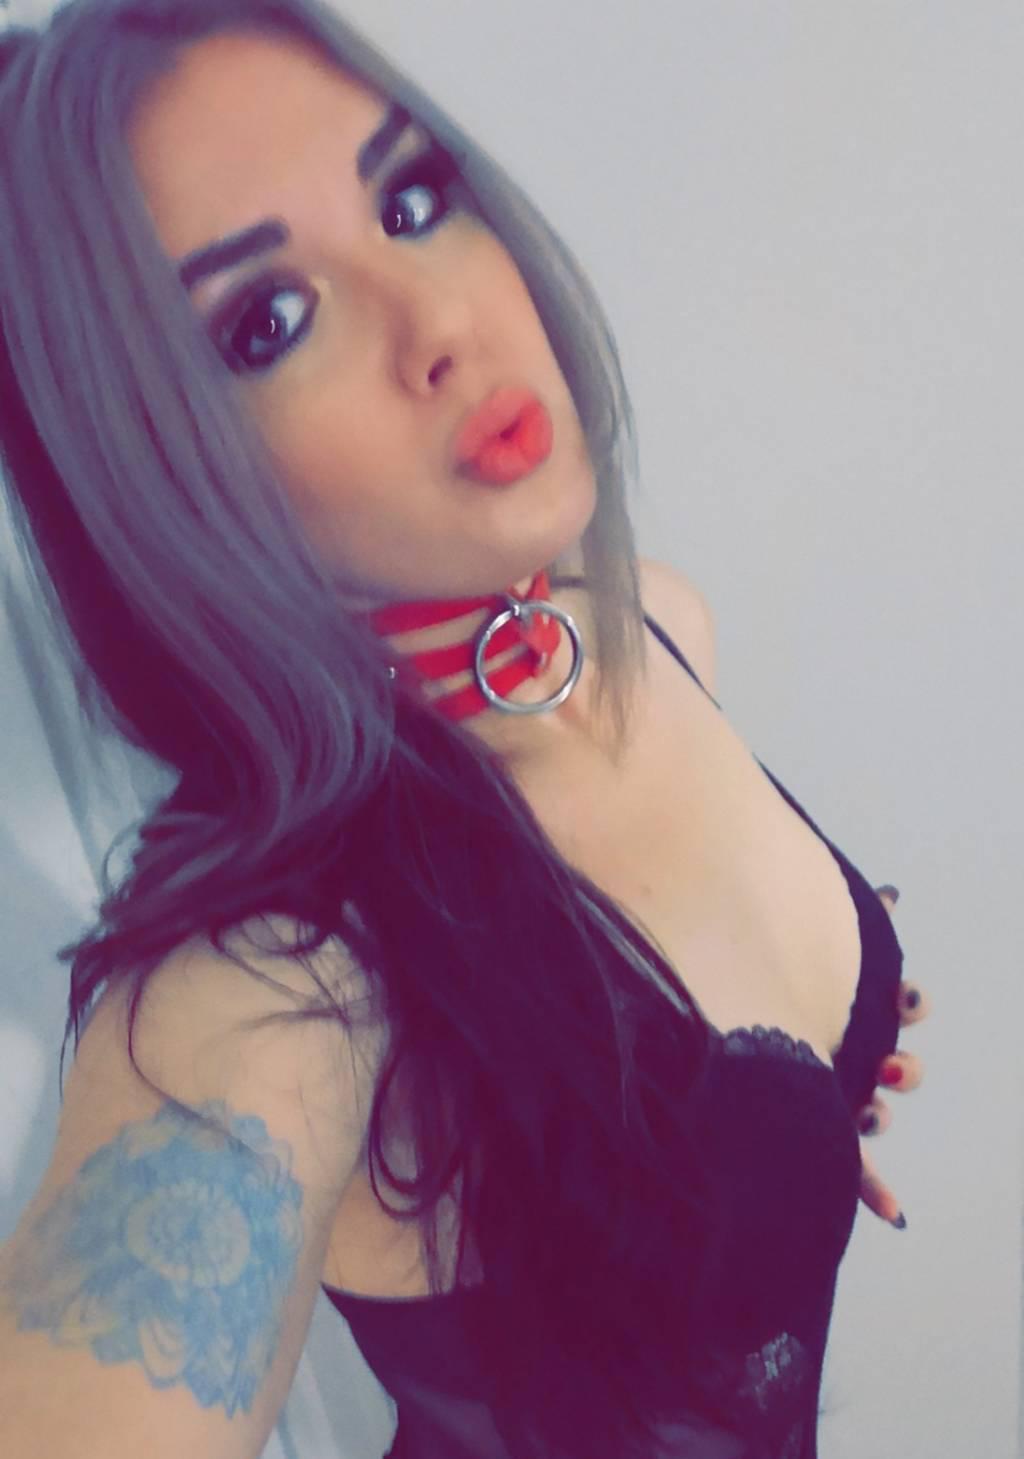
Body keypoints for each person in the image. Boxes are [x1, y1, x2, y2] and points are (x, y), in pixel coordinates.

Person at [0, 2, 928, 1456]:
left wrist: (788, 1147)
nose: (441, 327)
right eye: (268, 323)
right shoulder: (272, 984)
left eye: (414, 201)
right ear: (155, 466)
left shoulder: (654, 630)